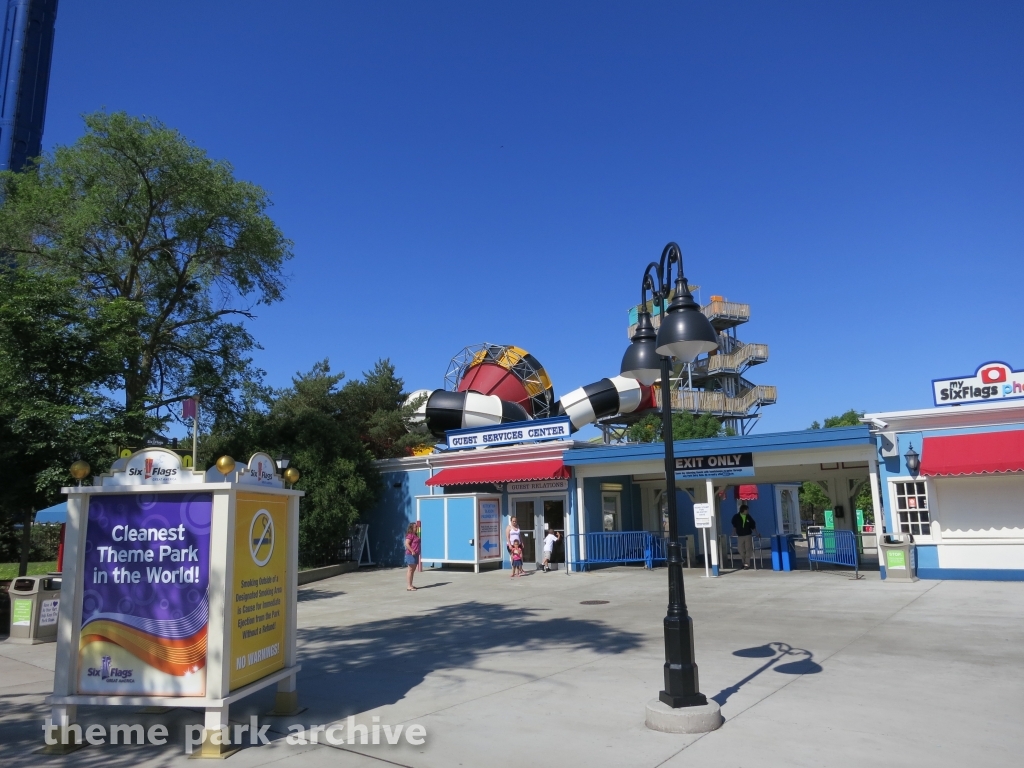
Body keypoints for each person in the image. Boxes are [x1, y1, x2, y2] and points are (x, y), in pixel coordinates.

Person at [731, 504, 757, 570]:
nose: (748, 511)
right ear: (743, 510)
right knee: (740, 549)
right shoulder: (736, 517)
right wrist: (733, 533)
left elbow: (753, 526)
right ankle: (744, 562)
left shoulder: (749, 517)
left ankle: (746, 564)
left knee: (748, 549)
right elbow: (734, 526)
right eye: (747, 510)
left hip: (747, 535)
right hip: (740, 536)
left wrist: (757, 533)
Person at [404, 522, 421, 590]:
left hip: (416, 554)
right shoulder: (410, 535)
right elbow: (407, 544)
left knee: (413, 570)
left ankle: (411, 585)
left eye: (416, 527)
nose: (416, 528)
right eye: (415, 527)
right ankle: (409, 586)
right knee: (410, 570)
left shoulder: (416, 535)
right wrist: (412, 551)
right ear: (411, 528)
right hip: (410, 554)